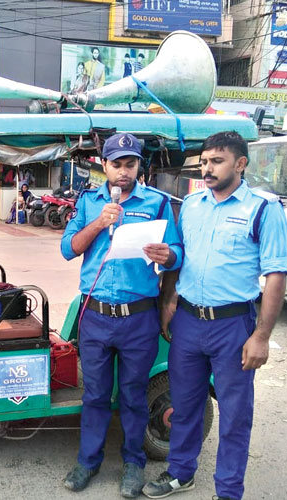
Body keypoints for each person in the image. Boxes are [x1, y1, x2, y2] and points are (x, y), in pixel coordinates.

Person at [142, 131, 287, 500]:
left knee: (235, 414)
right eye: (205, 161)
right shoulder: (193, 204)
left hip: (233, 327)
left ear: (240, 164)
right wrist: (168, 300)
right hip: (189, 322)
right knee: (185, 403)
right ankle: (180, 473)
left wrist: (261, 336)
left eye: (217, 161)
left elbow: (276, 276)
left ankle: (228, 491)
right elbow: (181, 257)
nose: (207, 169)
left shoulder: (263, 209)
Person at [60, 133, 182, 498]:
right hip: (96, 314)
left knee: (132, 394)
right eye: (117, 164)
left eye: (131, 164)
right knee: (96, 394)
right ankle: (88, 461)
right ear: (104, 166)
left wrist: (168, 255)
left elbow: (177, 252)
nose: (124, 171)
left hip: (138, 317)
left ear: (139, 166)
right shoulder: (88, 202)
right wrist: (99, 223)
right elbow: (68, 248)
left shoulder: (158, 203)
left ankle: (133, 464)